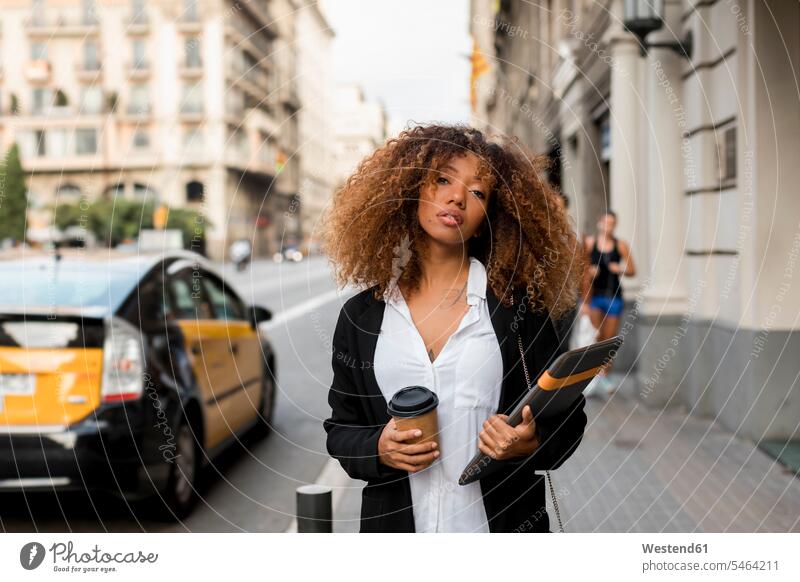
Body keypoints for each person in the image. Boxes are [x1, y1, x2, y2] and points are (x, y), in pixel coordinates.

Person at [321, 124, 588, 533]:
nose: (457, 197)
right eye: (442, 179)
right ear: (412, 192)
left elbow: (568, 420)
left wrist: (528, 443)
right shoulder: (361, 317)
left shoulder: (520, 312)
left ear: (485, 220)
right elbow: (342, 430)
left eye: (478, 192)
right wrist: (378, 448)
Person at [583, 210, 636, 393]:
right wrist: (589, 272)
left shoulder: (620, 245)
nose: (608, 226)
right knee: (596, 338)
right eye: (605, 222)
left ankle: (605, 376)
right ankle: (594, 376)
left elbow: (632, 270)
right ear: (599, 223)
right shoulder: (590, 243)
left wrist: (619, 268)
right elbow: (580, 269)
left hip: (614, 297)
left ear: (615, 225)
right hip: (596, 298)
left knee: (609, 340)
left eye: (612, 223)